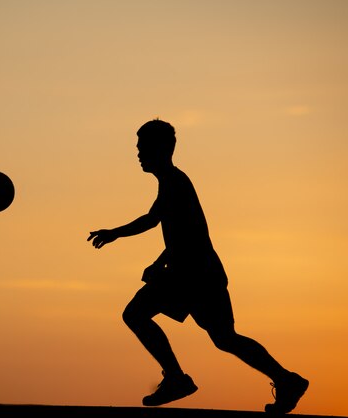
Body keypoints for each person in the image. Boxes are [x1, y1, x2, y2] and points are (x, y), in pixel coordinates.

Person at [87, 119, 308, 413]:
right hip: (199, 274)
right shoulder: (171, 182)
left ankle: (177, 379)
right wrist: (158, 264)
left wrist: (115, 233)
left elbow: (156, 222)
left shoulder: (175, 182)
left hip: (191, 275)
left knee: (136, 315)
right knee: (225, 338)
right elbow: (182, 234)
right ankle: (286, 379)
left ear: (161, 149)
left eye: (143, 147)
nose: (138, 153)